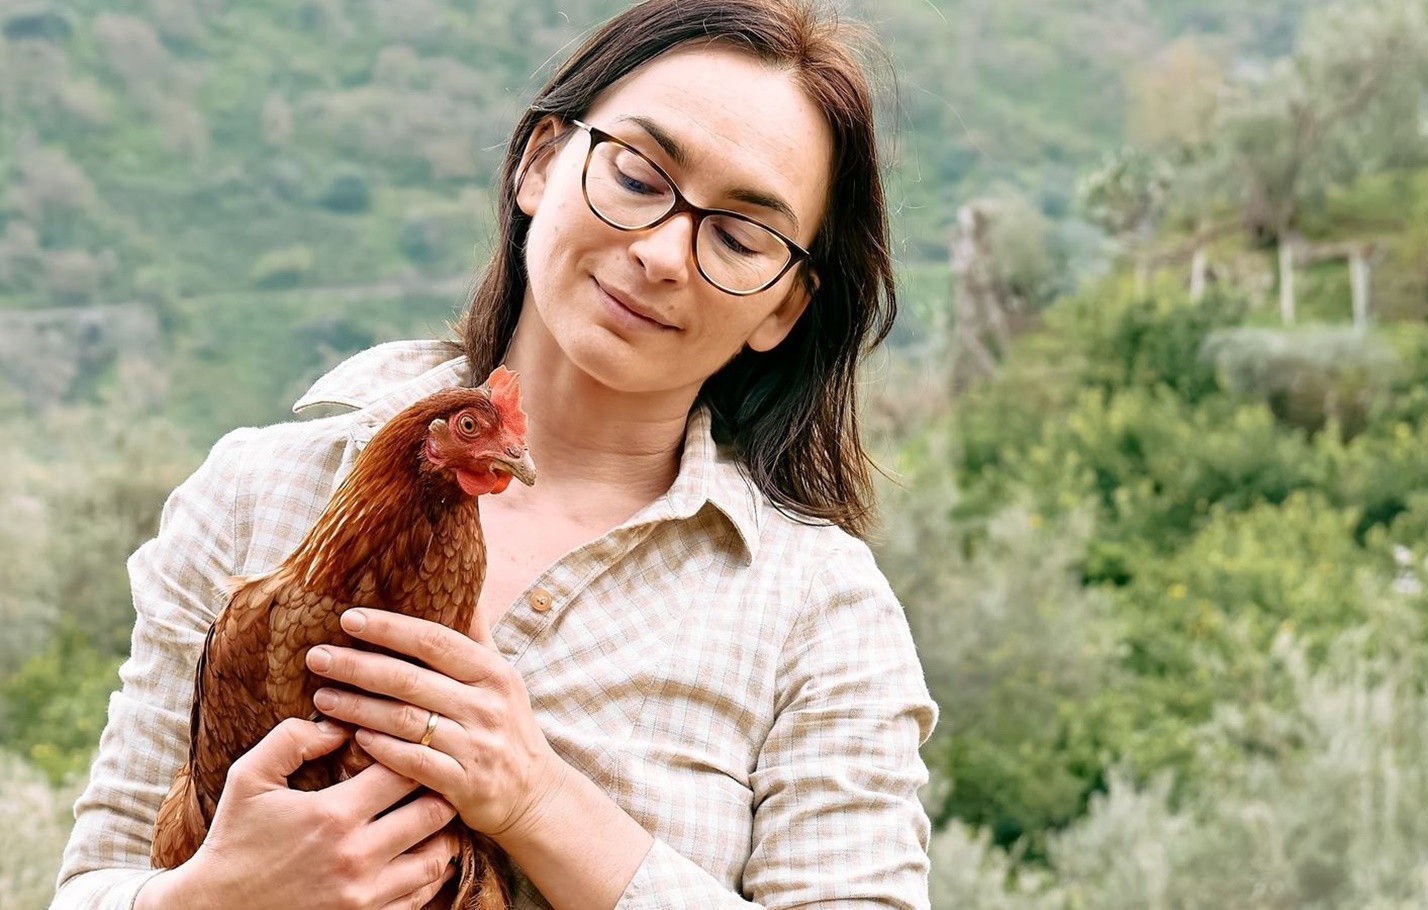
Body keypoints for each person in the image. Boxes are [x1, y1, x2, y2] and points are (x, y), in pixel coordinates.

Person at [50, 0, 937, 907]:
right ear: (541, 164)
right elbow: (92, 882)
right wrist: (211, 898)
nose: (664, 253)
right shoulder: (258, 492)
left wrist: (537, 798)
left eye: (740, 235)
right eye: (636, 175)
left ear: (784, 305)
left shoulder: (819, 614)